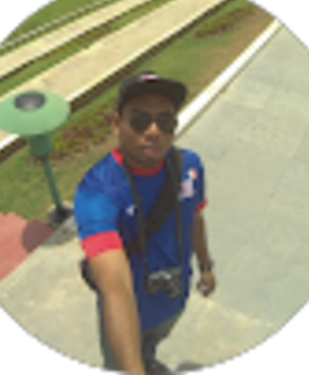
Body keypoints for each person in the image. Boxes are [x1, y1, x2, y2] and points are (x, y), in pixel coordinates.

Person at [73, 71, 216, 375]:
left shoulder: (189, 166)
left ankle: (148, 358)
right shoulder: (98, 189)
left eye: (166, 121)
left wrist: (206, 265)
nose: (154, 132)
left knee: (152, 345)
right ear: (116, 123)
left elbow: (195, 218)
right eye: (140, 120)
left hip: (173, 299)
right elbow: (114, 286)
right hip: (126, 317)